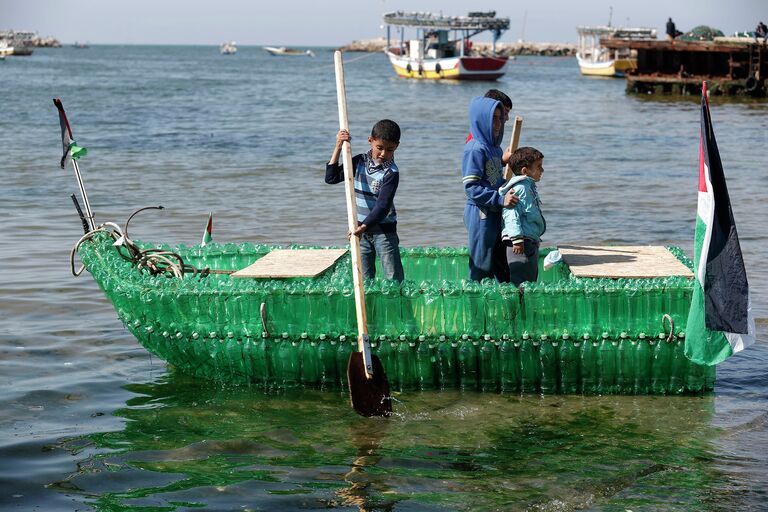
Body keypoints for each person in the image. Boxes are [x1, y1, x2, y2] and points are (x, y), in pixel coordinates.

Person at [326, 119, 404, 281]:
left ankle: (398, 305)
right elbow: (331, 178)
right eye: (379, 148)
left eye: (389, 150)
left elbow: (382, 206)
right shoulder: (359, 161)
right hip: (359, 231)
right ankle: (370, 306)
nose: (383, 154)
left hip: (384, 231)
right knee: (364, 280)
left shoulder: (391, 172)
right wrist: (339, 146)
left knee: (393, 278)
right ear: (371, 141)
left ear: (397, 146)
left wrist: (363, 227)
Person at [462, 97, 518, 282]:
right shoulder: (475, 149)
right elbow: (471, 188)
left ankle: (496, 306)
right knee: (481, 264)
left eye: (500, 118)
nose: (497, 124)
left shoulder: (494, 148)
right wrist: (501, 199)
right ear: (480, 119)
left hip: (494, 212)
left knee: (498, 262)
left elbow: (493, 180)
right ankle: (476, 308)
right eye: (492, 118)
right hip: (481, 214)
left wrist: (511, 186)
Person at [499, 147, 546, 287]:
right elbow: (510, 213)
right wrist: (517, 239)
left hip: (529, 240)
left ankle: (525, 305)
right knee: (521, 279)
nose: (542, 170)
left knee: (530, 277)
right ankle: (519, 307)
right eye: (539, 167)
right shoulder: (520, 188)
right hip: (521, 242)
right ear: (525, 171)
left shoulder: (528, 187)